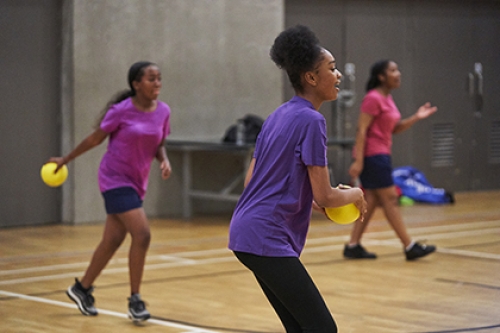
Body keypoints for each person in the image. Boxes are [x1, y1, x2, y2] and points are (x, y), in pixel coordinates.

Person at [228, 25, 366, 333]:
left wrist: (303, 198)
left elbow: (254, 180)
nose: (339, 74)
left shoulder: (278, 115)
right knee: (322, 329)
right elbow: (327, 196)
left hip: (245, 231)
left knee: (300, 328)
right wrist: (356, 194)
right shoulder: (312, 121)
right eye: (332, 69)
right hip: (267, 236)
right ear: (311, 78)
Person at [48, 61, 172, 322]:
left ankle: (81, 288)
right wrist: (65, 160)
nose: (157, 83)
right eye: (151, 78)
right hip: (114, 179)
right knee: (142, 234)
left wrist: (163, 159)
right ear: (136, 84)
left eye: (159, 78)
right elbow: (95, 139)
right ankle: (135, 300)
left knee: (113, 240)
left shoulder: (163, 111)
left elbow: (159, 142)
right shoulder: (121, 111)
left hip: (138, 182)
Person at [344, 59, 437, 261]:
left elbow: (393, 129)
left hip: (381, 154)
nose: (398, 74)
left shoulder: (387, 99)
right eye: (393, 70)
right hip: (373, 156)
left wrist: (416, 117)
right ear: (381, 76)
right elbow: (361, 130)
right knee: (391, 200)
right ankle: (409, 246)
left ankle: (353, 245)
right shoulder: (373, 98)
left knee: (371, 200)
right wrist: (358, 161)